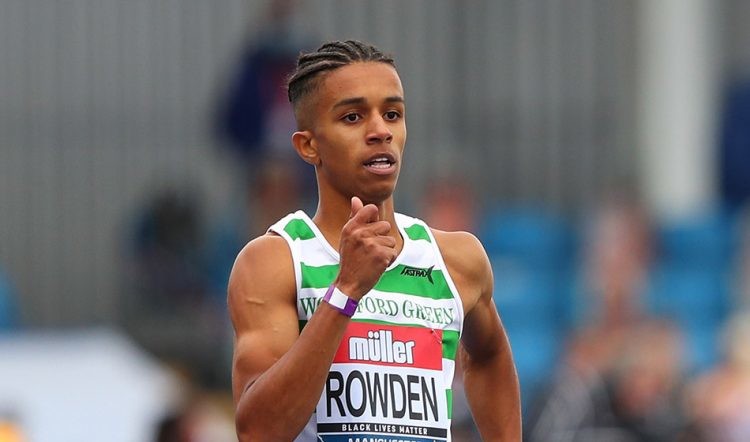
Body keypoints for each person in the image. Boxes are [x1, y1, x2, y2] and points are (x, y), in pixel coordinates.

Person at [227, 40, 521, 441]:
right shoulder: (276, 261)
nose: (381, 131)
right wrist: (346, 290)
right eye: (352, 117)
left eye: (392, 114)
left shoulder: (456, 260)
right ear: (308, 146)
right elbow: (259, 431)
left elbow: (489, 357)